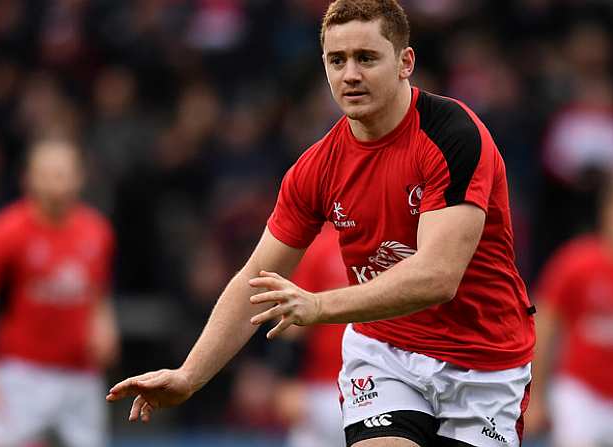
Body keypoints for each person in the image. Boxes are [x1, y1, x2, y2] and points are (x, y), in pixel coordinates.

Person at [107, 1, 535, 446]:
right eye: (337, 60)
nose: (350, 74)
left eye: (366, 58)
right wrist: (189, 376)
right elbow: (257, 279)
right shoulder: (315, 168)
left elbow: (437, 277)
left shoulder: (454, 136)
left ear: (405, 62)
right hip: (385, 352)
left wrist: (318, 307)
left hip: (482, 360)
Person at [0, 139, 119, 447]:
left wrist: (104, 325)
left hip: (82, 379)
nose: (56, 183)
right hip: (20, 376)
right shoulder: (2, 234)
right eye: (47, 174)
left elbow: (97, 294)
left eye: (63, 174)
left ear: (80, 177)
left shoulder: (98, 232)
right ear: (28, 178)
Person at [526, 180, 613, 446]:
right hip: (580, 393)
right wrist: (536, 395)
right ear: (605, 211)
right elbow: (542, 326)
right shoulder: (576, 261)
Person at [275, 224, 347, 447]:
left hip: (385, 382)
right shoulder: (321, 246)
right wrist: (287, 380)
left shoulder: (399, 241)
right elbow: (290, 323)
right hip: (321, 390)